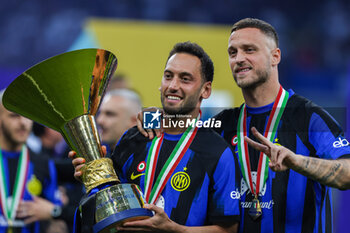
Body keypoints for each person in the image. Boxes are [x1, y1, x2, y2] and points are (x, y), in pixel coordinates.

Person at [137, 18, 350, 233]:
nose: (239, 58)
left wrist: (297, 161)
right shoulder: (222, 124)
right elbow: (181, 134)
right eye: (232, 52)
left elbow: (347, 173)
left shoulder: (307, 116)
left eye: (249, 50)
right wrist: (153, 117)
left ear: (275, 56)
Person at [71, 42, 240, 233]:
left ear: (205, 90)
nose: (173, 86)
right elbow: (110, 201)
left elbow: (229, 229)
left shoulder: (218, 152)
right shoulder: (134, 137)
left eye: (185, 79)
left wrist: (174, 230)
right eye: (168, 76)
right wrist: (93, 177)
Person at [0, 90, 63, 233]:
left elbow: (56, 221)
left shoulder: (43, 163)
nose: (23, 123)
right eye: (14, 116)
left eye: (27, 116)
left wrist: (52, 213)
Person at [96, 88, 142, 154]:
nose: (99, 120)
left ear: (134, 121)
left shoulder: (148, 158)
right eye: (99, 113)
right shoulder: (100, 155)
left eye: (109, 114)